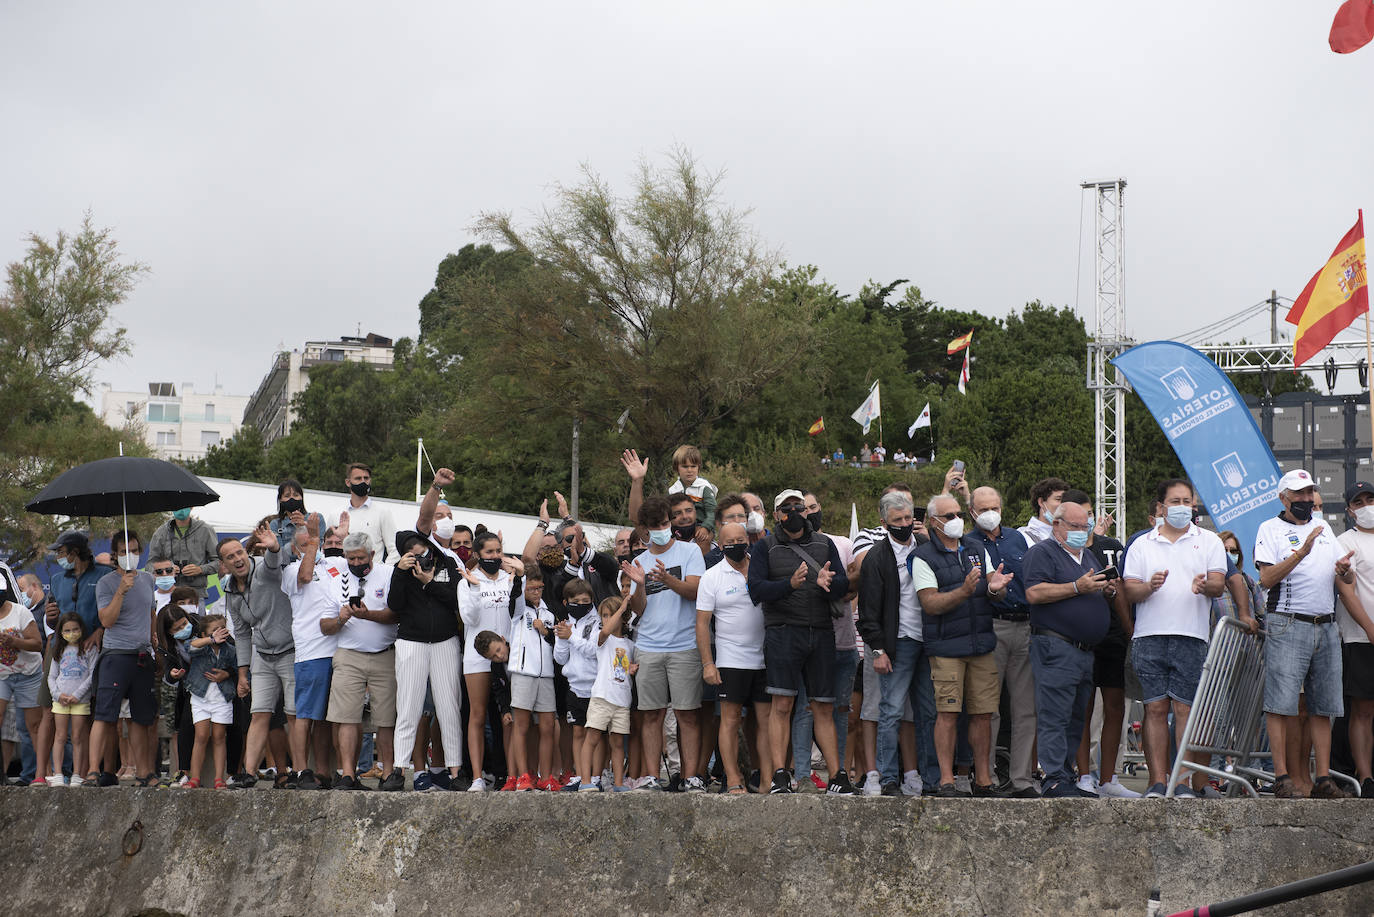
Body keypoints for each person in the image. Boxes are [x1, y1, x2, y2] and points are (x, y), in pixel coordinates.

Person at [747, 489, 857, 795]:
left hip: (821, 632)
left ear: (807, 511)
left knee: (823, 705)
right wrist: (789, 585)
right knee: (781, 705)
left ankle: (838, 776)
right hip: (783, 632)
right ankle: (781, 775)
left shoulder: (825, 544)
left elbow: (844, 586)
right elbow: (755, 590)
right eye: (787, 507)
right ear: (777, 513)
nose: (794, 511)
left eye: (799, 506)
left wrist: (829, 583)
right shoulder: (765, 547)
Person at [1254, 469, 1356, 799]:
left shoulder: (1323, 526)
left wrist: (1345, 572)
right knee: (1280, 704)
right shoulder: (1269, 529)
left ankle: (1323, 777)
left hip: (1325, 624)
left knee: (1323, 706)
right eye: (1298, 494)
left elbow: (1344, 579)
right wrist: (1301, 553)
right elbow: (1266, 578)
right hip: (1288, 620)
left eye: (1309, 492)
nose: (1305, 499)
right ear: (1283, 499)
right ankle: (1282, 776)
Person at [1122, 478, 1227, 798]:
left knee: (1184, 711)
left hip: (1191, 638)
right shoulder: (1142, 544)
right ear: (1161, 507)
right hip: (1149, 638)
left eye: (1187, 501)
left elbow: (1219, 585)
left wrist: (1203, 585)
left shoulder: (1209, 541)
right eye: (1176, 501)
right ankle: (1157, 780)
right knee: (1154, 709)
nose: (1183, 507)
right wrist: (1149, 586)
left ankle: (1180, 782)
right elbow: (1130, 590)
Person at [911, 494, 1012, 797]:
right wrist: (965, 591)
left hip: (981, 645)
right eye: (949, 515)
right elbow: (930, 603)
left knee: (983, 714)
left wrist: (996, 590)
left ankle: (983, 779)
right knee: (948, 714)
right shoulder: (923, 557)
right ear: (933, 521)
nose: (956, 520)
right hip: (946, 649)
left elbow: (994, 587)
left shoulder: (975, 548)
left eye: (958, 513)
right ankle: (946, 780)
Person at [1022, 497, 1118, 797]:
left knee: (1077, 717)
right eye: (1075, 525)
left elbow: (1090, 590)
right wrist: (1077, 587)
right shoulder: (1043, 553)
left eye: (1085, 525)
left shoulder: (1087, 556)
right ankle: (1052, 777)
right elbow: (1034, 592)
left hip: (1084, 651)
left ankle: (1066, 775)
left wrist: (1106, 591)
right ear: (1056, 525)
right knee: (1055, 714)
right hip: (1056, 645)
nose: (1081, 530)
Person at [1055, 490, 1140, 799]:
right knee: (1083, 708)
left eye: (1089, 514)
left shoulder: (1112, 548)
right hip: (1081, 639)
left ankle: (1109, 778)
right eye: (1079, 517)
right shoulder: (1058, 552)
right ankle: (1084, 775)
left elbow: (1124, 588)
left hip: (1114, 637)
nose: (1085, 522)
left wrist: (1128, 626)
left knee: (1116, 707)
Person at [620, 495, 702, 791]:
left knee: (687, 715)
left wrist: (667, 579)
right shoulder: (638, 562)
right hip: (649, 646)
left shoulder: (690, 551)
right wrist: (640, 585)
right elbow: (639, 609)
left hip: (685, 645)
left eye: (665, 523)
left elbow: (695, 591)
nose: (662, 529)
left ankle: (691, 777)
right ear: (644, 529)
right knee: (651, 715)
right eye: (655, 526)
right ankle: (652, 776)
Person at [966, 485, 1038, 797]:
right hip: (989, 626)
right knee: (987, 709)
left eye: (994, 506)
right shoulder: (966, 543)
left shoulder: (1018, 538)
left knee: (1025, 709)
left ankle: (1021, 779)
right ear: (972, 512)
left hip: (1024, 625)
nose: (989, 513)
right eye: (982, 509)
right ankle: (987, 777)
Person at [382, 531, 464, 792]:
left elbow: (456, 599)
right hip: (411, 642)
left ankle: (455, 771)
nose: (420, 557)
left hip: (445, 641)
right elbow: (394, 604)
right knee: (408, 707)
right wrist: (399, 572)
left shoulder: (447, 564)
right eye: (413, 554)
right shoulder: (401, 571)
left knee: (448, 707)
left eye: (423, 551)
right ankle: (398, 770)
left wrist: (429, 582)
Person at [697, 522, 772, 795]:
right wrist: (708, 663)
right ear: (720, 544)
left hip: (764, 659)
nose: (737, 544)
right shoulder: (712, 576)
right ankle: (733, 777)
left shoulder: (762, 568)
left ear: (749, 539)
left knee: (765, 721)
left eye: (741, 539)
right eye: (730, 541)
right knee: (730, 720)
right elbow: (702, 624)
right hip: (730, 660)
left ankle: (766, 779)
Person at [219, 523, 296, 789]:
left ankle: (300, 771)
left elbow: (275, 562)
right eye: (230, 557)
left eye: (239, 552)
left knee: (294, 714)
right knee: (259, 713)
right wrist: (242, 674)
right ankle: (249, 772)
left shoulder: (263, 568)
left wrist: (273, 546)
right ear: (223, 565)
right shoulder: (229, 590)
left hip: (290, 650)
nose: (237, 559)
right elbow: (241, 634)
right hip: (262, 655)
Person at [791, 492, 859, 791]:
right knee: (807, 709)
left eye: (813, 507)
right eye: (803, 509)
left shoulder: (842, 543)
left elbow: (851, 584)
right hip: (811, 641)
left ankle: (839, 775)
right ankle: (803, 774)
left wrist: (836, 585)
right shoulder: (789, 548)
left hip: (844, 642)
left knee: (842, 710)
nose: (809, 513)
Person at [322, 532, 398, 791]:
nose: (355, 562)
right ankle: (348, 774)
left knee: (386, 718)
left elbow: (396, 614)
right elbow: (325, 626)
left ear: (372, 555)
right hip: (348, 654)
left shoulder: (388, 574)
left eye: (360, 558)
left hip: (384, 653)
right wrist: (342, 619)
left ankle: (388, 774)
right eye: (351, 558)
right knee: (346, 717)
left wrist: (367, 616)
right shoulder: (337, 580)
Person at [90, 529, 158, 786]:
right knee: (105, 715)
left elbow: (151, 614)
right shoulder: (106, 583)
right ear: (115, 555)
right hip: (116, 655)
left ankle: (143, 772)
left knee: (141, 719)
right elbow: (106, 620)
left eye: (134, 550)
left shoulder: (149, 579)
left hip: (142, 656)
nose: (130, 556)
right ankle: (93, 771)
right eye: (123, 552)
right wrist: (121, 591)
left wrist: (155, 644)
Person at [457, 531, 522, 791]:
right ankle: (476, 777)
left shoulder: (509, 579)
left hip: (506, 657)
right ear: (477, 555)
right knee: (478, 715)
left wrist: (520, 578)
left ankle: (511, 775)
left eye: (498, 551)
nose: (495, 557)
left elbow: (518, 614)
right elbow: (470, 619)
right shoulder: (467, 581)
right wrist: (475, 587)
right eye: (489, 552)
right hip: (477, 658)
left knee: (508, 716)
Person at [280, 524, 342, 790]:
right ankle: (300, 769)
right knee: (304, 714)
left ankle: (323, 772)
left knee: (327, 718)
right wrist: (315, 542)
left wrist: (342, 533)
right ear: (296, 549)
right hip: (311, 652)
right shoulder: (292, 570)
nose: (313, 548)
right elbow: (306, 575)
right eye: (305, 545)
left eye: (314, 543)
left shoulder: (332, 566)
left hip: (339, 650)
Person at [492, 565, 556, 791]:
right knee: (521, 726)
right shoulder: (519, 611)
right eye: (531, 588)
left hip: (546, 675)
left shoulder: (549, 613)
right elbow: (516, 596)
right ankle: (523, 776)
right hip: (522, 673)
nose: (536, 592)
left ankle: (546, 777)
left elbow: (555, 644)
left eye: (539, 588)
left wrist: (546, 632)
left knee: (547, 726)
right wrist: (519, 577)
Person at [584, 595, 637, 792]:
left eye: (610, 615)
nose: (606, 619)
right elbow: (606, 630)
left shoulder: (630, 645)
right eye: (604, 615)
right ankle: (585, 780)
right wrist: (621, 608)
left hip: (622, 701)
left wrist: (630, 668)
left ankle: (618, 783)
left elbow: (622, 668)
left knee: (617, 743)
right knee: (592, 738)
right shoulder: (602, 638)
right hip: (602, 697)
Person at [554, 579, 601, 791]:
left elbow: (593, 651)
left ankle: (597, 776)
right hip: (574, 688)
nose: (581, 604)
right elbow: (560, 659)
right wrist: (563, 638)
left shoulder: (598, 622)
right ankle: (581, 777)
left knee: (596, 734)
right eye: (575, 601)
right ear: (566, 602)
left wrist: (571, 637)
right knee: (578, 733)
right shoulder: (566, 625)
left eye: (585, 601)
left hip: (596, 688)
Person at [0, 576, 44, 784]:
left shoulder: (20, 612)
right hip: (2, 675)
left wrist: (14, 641)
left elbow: (37, 644)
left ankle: (39, 774)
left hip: (28, 674)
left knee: (32, 726)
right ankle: (3, 775)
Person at [185, 614, 237, 788]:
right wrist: (210, 639)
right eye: (214, 630)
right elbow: (189, 646)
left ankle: (219, 778)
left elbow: (239, 667)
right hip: (201, 697)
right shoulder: (202, 647)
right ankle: (195, 778)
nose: (219, 633)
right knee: (200, 736)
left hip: (222, 698)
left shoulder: (230, 649)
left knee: (219, 737)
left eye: (222, 628)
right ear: (204, 634)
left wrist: (227, 674)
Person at [45, 612, 95, 786]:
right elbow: (51, 677)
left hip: (80, 701)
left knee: (77, 737)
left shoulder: (89, 648)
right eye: (67, 630)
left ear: (81, 629)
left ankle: (76, 774)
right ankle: (58, 773)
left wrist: (77, 695)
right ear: (61, 632)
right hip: (60, 701)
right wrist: (58, 695)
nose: (72, 633)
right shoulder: (58, 649)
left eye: (75, 629)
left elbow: (92, 675)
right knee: (59, 735)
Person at [47, 532, 110, 652]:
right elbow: (54, 623)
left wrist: (101, 630)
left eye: (61, 552)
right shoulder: (56, 579)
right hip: (63, 649)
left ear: (75, 552)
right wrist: (50, 618)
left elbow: (117, 611)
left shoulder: (105, 574)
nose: (58, 557)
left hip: (95, 648)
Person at [148, 508, 219, 598]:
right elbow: (150, 565)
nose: (181, 509)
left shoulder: (205, 530)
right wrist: (166, 570)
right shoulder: (160, 533)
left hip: (197, 595)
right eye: (177, 505)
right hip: (168, 595)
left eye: (185, 506)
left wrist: (201, 569)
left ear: (191, 507)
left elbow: (219, 562)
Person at [336, 463, 397, 564]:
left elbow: (394, 548)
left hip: (375, 574)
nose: (363, 482)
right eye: (358, 478)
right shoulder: (337, 513)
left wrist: (384, 571)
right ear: (348, 482)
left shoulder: (382, 512)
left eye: (366, 478)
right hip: (345, 574)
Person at [269, 479, 328, 564]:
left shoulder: (316, 518)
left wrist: (304, 527)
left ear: (301, 497)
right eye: (287, 496)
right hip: (287, 570)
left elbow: (319, 549)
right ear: (280, 500)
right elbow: (280, 556)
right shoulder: (275, 525)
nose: (292, 499)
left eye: (296, 495)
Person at [667, 444, 718, 534]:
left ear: (698, 467)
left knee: (702, 539)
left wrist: (706, 527)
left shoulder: (704, 487)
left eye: (693, 466)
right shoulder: (673, 490)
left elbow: (713, 512)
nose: (689, 470)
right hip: (680, 527)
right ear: (676, 468)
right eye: (685, 466)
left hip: (702, 526)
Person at [1019, 478, 1069, 547]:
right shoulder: (1023, 536)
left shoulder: (1070, 536)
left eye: (1065, 500)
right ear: (1041, 502)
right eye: (1058, 499)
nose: (1063, 504)